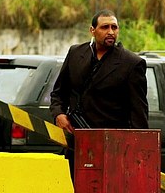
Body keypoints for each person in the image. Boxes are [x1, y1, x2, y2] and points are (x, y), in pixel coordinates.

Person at [49, 10, 149, 175]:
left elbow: (138, 111)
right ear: (92, 30)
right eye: (105, 27)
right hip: (76, 143)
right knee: (78, 189)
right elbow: (59, 93)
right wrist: (58, 114)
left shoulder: (131, 63)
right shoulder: (76, 53)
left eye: (114, 27)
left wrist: (137, 151)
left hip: (112, 148)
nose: (110, 32)